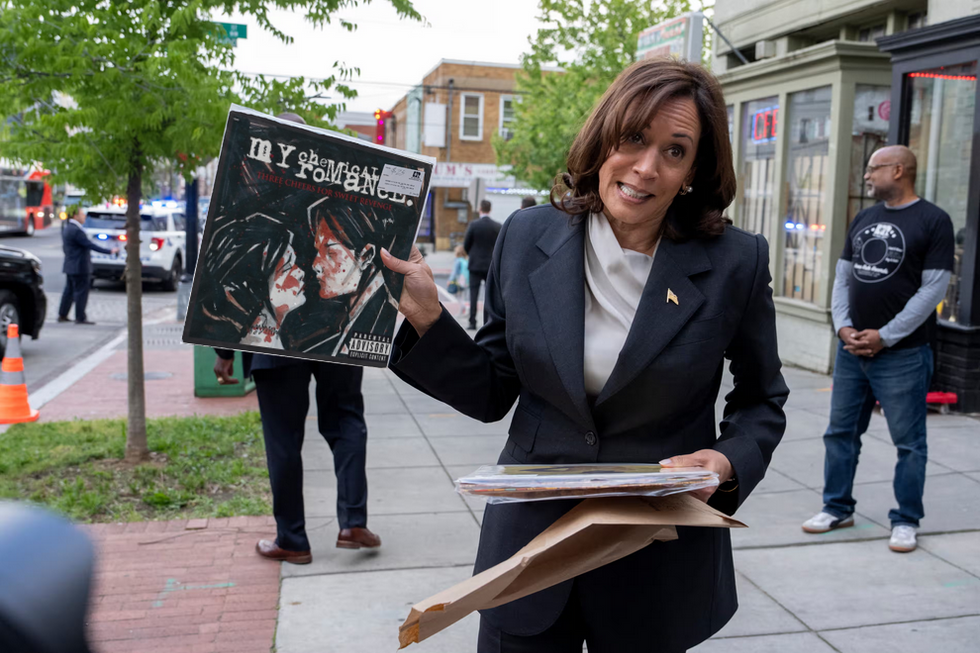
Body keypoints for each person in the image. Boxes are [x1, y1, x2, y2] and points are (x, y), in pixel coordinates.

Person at [381, 58, 788, 652]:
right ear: (604, 138)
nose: (646, 168)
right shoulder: (526, 236)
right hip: (528, 556)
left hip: (654, 563)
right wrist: (427, 319)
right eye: (633, 139)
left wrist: (724, 462)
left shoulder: (736, 263)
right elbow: (494, 389)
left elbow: (762, 400)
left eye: (674, 151)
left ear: (694, 169)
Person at [212, 111, 381, 565]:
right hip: (334, 332)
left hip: (277, 342)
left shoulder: (252, 179)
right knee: (345, 419)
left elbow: (237, 276)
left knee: (282, 438)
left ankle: (293, 539)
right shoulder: (335, 176)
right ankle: (352, 520)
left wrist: (224, 351)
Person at [802, 146, 954, 554]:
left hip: (902, 355)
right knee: (840, 435)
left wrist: (885, 335)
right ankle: (836, 507)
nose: (867, 175)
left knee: (909, 443)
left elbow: (933, 289)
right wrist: (843, 326)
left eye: (874, 168)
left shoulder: (934, 220)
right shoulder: (865, 218)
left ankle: (906, 520)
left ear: (899, 170)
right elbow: (842, 277)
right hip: (852, 352)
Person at [58, 206, 117, 325]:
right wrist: (109, 251)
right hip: (80, 267)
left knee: (68, 291)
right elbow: (90, 245)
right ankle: (80, 317)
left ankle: (62, 314)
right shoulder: (77, 231)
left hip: (70, 265)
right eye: (82, 214)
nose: (84, 216)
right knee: (81, 292)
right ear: (75, 216)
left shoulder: (68, 228)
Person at [463, 199, 501, 330]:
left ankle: (472, 321)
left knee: (473, 293)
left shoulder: (474, 225)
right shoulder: (497, 226)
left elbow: (466, 244)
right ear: (490, 209)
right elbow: (499, 246)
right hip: (490, 265)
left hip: (475, 264)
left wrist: (471, 255)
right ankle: (486, 322)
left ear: (480, 209)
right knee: (488, 295)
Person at [449, 244, 469, 316]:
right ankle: (462, 311)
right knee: (462, 295)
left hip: (458, 280)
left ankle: (465, 308)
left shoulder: (457, 260)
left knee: (458, 296)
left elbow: (454, 272)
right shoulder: (465, 259)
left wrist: (450, 280)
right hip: (465, 280)